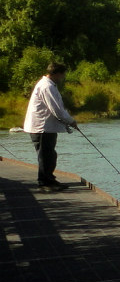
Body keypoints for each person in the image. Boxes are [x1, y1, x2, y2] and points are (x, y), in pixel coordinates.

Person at [23, 62, 78, 192]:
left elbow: (57, 109)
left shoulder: (49, 85)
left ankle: (50, 180)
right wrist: (71, 121)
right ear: (56, 73)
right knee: (45, 155)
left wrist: (68, 121)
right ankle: (44, 183)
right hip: (42, 127)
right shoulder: (47, 87)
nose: (63, 77)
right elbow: (57, 109)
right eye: (62, 74)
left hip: (46, 126)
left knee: (50, 155)